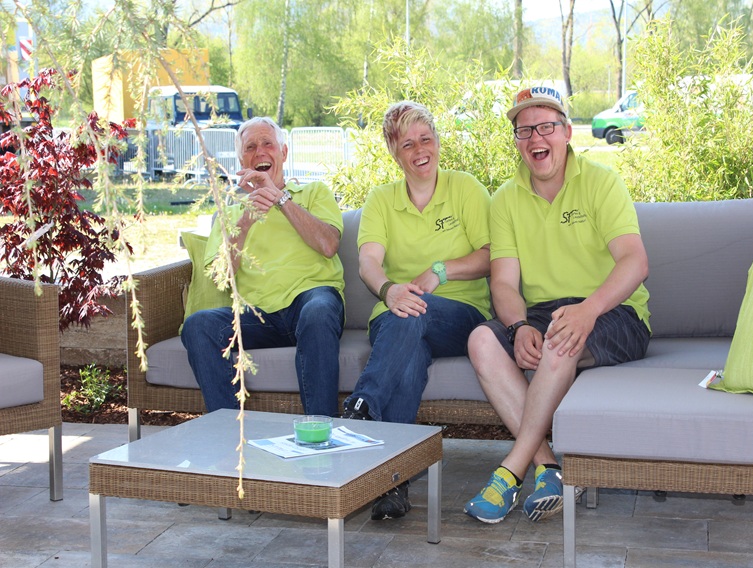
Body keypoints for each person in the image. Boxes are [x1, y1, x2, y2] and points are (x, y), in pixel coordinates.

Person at [464, 86, 651, 524]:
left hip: (615, 309)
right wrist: (517, 327)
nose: (536, 138)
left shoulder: (601, 182)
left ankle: (510, 471)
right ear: (517, 141)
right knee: (480, 340)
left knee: (561, 336)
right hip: (544, 312)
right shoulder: (505, 199)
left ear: (567, 133)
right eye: (524, 130)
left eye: (546, 126)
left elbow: (635, 262)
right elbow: (503, 283)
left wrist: (589, 310)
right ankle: (548, 468)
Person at [341, 101, 492, 520]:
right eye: (407, 144)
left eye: (426, 138)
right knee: (409, 352)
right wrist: (388, 290)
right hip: (397, 317)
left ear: (438, 141)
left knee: (415, 312)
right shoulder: (381, 200)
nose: (420, 149)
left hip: (460, 315)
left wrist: (441, 271)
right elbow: (368, 262)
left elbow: (491, 256)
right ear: (395, 153)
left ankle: (362, 404)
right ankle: (394, 486)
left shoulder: (465, 189)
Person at [181, 116, 345, 417]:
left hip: (311, 300)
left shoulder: (313, 193)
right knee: (198, 326)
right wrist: (246, 219)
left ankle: (320, 429)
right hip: (257, 315)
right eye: (250, 147)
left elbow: (328, 245)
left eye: (268, 143)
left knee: (319, 311)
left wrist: (280, 198)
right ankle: (231, 431)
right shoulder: (230, 214)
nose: (260, 152)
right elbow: (222, 278)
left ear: (283, 152)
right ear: (242, 161)